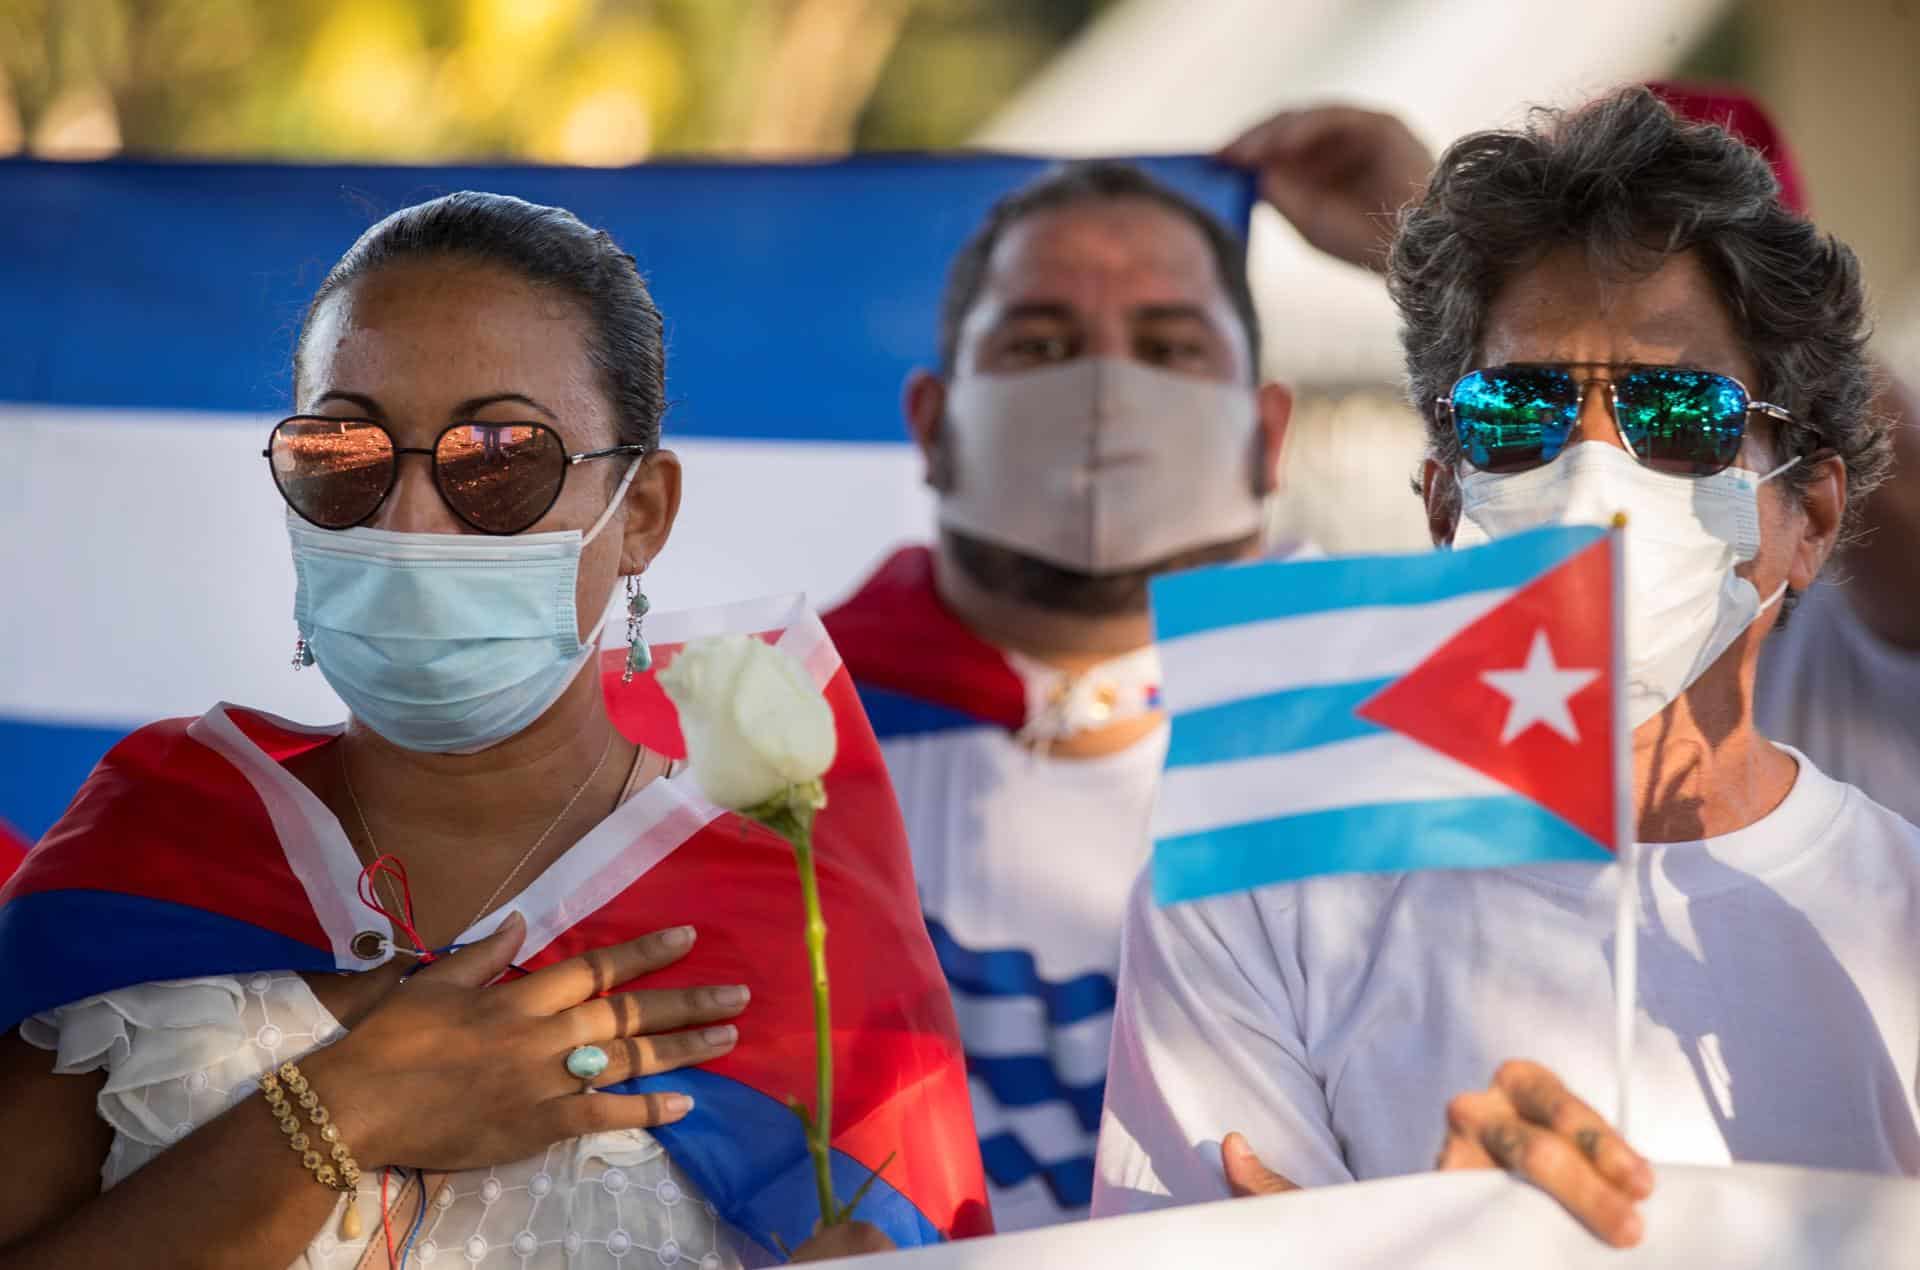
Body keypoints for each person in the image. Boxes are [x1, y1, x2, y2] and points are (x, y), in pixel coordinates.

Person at [0, 192, 983, 1267]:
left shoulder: (792, 927)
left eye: (502, 458)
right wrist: (337, 1117)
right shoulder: (154, 849)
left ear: (643, 513)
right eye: (343, 454)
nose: (409, 518)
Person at [1094, 86, 1920, 1249]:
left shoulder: (1902, 923)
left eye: (1678, 411)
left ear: (1811, 516)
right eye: (1514, 412)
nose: (1590, 467)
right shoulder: (1254, 889)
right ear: (1442, 498)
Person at [821, 159, 1297, 1231]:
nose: (1104, 394)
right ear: (933, 422)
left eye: (1171, 350)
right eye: (1037, 348)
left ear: (1268, 431)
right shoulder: (777, 738)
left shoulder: (1390, 720)